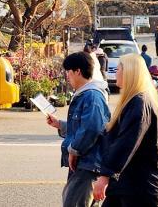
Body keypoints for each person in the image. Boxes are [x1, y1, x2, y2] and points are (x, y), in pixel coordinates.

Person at [93, 53, 158, 206]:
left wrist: (105, 175)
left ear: (129, 72)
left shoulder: (140, 103)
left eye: (119, 68)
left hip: (141, 186)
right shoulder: (134, 101)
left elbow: (126, 143)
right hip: (127, 182)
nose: (115, 72)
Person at [46, 52, 111, 207]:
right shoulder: (86, 94)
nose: (67, 76)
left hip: (87, 164)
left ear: (78, 71)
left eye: (68, 72)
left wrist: (74, 150)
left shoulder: (92, 96)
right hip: (84, 163)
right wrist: (60, 125)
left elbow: (92, 129)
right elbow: (82, 126)